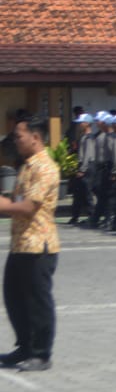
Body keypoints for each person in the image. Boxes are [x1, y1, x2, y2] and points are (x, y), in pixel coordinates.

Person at [0, 113, 61, 372]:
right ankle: (24, 346)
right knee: (14, 296)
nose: (15, 140)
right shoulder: (27, 165)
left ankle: (41, 353)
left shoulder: (45, 167)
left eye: (19, 135)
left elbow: (28, 206)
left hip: (39, 244)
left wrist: (5, 205)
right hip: (22, 243)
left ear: (35, 137)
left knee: (38, 301)